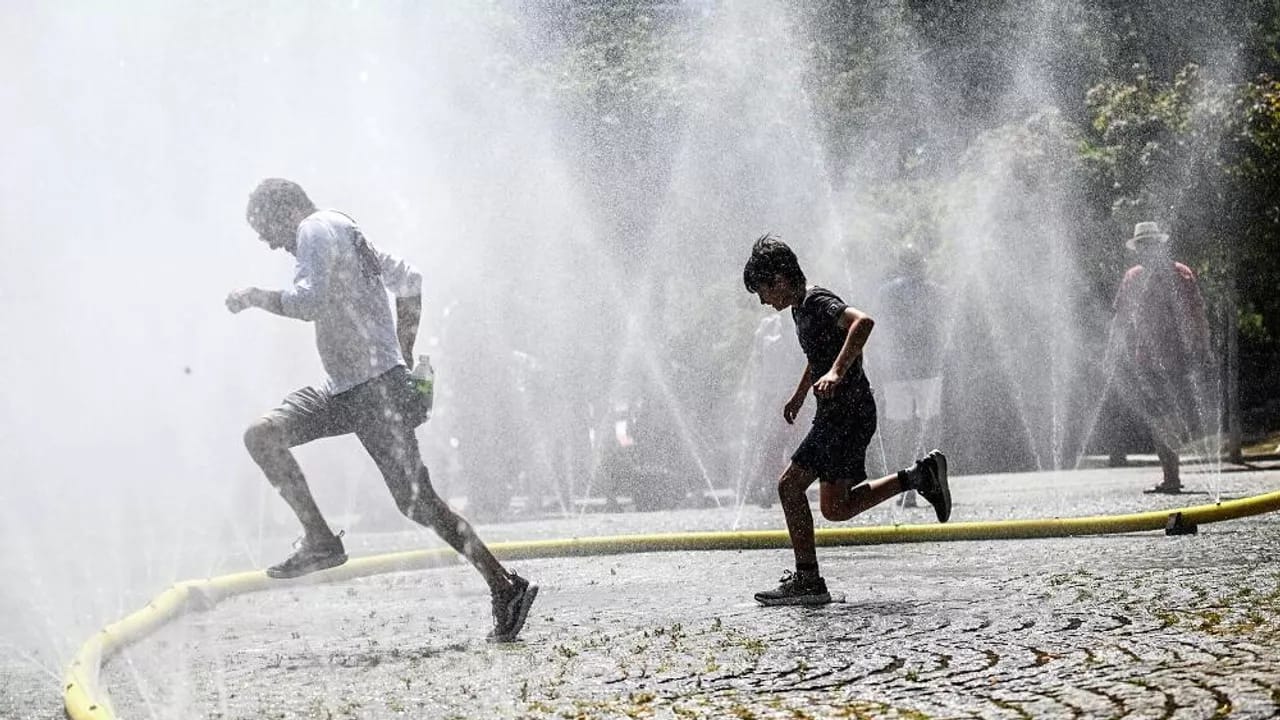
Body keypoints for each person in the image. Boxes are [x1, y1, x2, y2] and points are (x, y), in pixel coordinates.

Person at [225, 178, 537, 642]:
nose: (271, 244)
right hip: (347, 390)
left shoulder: (313, 228)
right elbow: (410, 281)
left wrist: (255, 297)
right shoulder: (345, 228)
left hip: (372, 392)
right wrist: (402, 356)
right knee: (263, 435)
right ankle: (320, 541)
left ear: (286, 211)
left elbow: (309, 302)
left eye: (267, 231)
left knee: (417, 502)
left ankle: (505, 586)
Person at [743, 234, 951, 606]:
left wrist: (837, 372)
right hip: (843, 414)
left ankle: (809, 580)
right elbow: (819, 354)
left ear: (780, 279)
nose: (763, 301)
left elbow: (863, 322)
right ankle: (920, 476)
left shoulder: (818, 301)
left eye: (763, 291)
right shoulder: (799, 309)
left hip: (846, 414)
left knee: (789, 487)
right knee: (835, 508)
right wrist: (800, 393)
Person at [1106, 221, 1212, 494]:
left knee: (1167, 417)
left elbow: (1198, 314)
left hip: (1179, 358)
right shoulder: (1134, 277)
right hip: (1148, 361)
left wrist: (1203, 347)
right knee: (1161, 418)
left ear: (1158, 246)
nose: (1146, 250)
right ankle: (1170, 475)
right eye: (1142, 246)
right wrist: (1112, 351)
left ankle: (1172, 476)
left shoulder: (1182, 275)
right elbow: (1121, 319)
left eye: (1150, 245)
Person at [874, 244, 945, 508]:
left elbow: (882, 331)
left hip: (898, 372)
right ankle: (933, 483)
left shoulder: (887, 293)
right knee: (928, 428)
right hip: (926, 370)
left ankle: (906, 488)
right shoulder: (935, 292)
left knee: (900, 431)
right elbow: (940, 328)